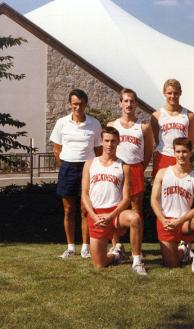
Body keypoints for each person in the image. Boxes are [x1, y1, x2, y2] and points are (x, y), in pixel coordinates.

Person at [81, 127, 147, 275]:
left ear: (118, 142)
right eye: (107, 141)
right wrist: (93, 215)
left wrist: (111, 215)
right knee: (99, 264)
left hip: (115, 215)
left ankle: (137, 261)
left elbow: (126, 198)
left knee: (135, 218)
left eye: (113, 141)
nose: (110, 144)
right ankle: (116, 255)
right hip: (96, 215)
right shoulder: (90, 164)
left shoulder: (124, 166)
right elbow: (84, 194)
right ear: (102, 142)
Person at [50, 89, 102, 259]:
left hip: (88, 169)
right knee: (68, 210)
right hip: (67, 168)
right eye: (75, 104)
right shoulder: (61, 123)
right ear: (70, 104)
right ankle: (71, 247)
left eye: (81, 104)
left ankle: (85, 248)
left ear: (86, 104)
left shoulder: (94, 124)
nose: (78, 108)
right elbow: (57, 150)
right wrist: (63, 166)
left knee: (85, 210)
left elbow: (98, 150)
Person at [150, 137, 194, 274]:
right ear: (174, 152)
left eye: (185, 152)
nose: (181, 155)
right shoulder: (163, 173)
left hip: (184, 222)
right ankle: (184, 250)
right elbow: (154, 200)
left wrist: (179, 221)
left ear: (190, 153)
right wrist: (163, 220)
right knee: (172, 265)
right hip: (166, 221)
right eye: (178, 151)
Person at [107, 88, 154, 252]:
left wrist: (140, 167)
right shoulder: (112, 125)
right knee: (114, 206)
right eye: (125, 101)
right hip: (116, 170)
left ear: (137, 104)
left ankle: (136, 248)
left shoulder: (144, 127)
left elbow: (148, 151)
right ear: (120, 103)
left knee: (136, 209)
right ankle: (115, 245)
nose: (128, 104)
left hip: (135, 169)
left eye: (132, 101)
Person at [151, 79, 194, 177]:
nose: (172, 96)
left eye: (175, 93)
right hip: (163, 157)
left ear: (180, 93)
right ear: (164, 93)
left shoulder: (189, 115)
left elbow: (191, 141)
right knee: (161, 190)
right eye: (169, 93)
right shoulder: (156, 115)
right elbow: (157, 139)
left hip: (181, 158)